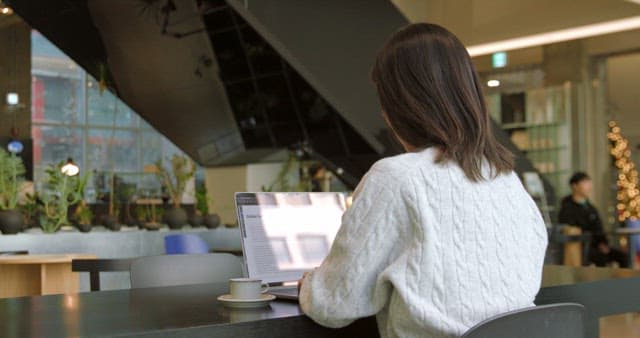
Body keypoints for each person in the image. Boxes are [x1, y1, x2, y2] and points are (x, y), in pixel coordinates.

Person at [298, 23, 548, 338]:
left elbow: (333, 306)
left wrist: (308, 285)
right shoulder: (505, 179)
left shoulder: (396, 177)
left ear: (397, 107)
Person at [558, 172, 629, 267]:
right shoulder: (567, 208)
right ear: (574, 186)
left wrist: (603, 243)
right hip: (581, 246)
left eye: (589, 183)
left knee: (623, 257)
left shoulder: (591, 208)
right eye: (584, 183)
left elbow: (599, 228)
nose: (589, 186)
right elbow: (572, 229)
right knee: (601, 259)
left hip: (597, 245)